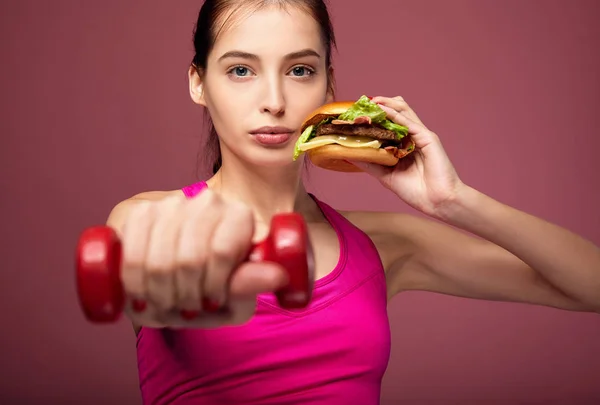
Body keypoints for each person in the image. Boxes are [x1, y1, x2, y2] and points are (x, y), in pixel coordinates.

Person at [105, 0, 600, 404]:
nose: (274, 100)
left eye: (300, 70)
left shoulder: (382, 246)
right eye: (241, 70)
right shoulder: (148, 219)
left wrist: (454, 201)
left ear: (328, 86)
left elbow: (591, 287)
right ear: (198, 83)